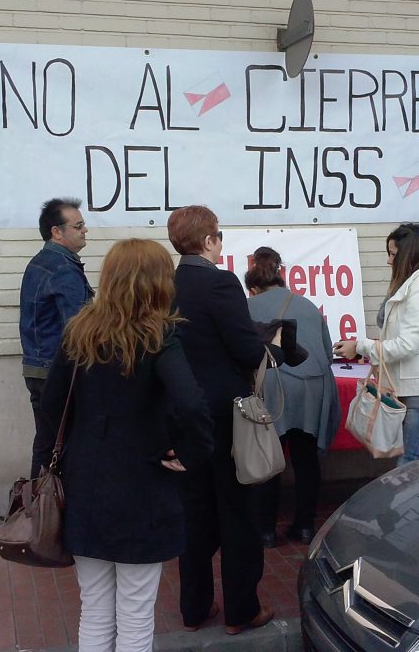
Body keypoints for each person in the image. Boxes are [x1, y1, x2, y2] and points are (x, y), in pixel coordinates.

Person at [33, 239, 214, 652]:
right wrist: (192, 453)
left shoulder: (79, 330)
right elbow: (191, 404)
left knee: (94, 608)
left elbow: (51, 407)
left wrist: (42, 468)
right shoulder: (160, 335)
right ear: (158, 282)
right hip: (142, 491)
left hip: (84, 487)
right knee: (135, 613)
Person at [167, 205, 284, 636]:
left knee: (194, 515)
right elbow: (245, 350)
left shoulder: (167, 282)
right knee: (238, 514)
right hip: (224, 414)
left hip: (183, 414)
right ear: (208, 240)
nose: (221, 240)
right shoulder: (220, 282)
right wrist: (265, 344)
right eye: (218, 234)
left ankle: (194, 608)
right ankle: (240, 610)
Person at [245, 246, 340, 548]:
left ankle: (265, 532)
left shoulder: (247, 306)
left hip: (274, 387)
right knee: (306, 458)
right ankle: (304, 527)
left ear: (253, 285)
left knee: (269, 459)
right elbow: (326, 352)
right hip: (314, 387)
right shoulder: (309, 305)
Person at [335, 223, 419, 465]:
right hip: (412, 389)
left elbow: (405, 345)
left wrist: (360, 346)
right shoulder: (410, 285)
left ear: (408, 254)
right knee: (416, 464)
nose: (388, 261)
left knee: (409, 463)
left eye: (393, 254)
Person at [19, 197, 94, 479]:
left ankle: (36, 512)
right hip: (57, 373)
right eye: (78, 226)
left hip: (38, 368)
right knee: (64, 449)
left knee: (46, 443)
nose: (85, 230)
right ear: (56, 231)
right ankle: (53, 514)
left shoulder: (41, 262)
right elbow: (80, 328)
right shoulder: (62, 269)